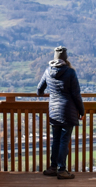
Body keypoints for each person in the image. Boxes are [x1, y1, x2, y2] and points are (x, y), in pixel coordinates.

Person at [36, 46, 84, 179]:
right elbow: (76, 94)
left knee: (56, 140)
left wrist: (50, 93)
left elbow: (39, 90)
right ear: (66, 58)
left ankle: (53, 167)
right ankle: (62, 170)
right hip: (68, 111)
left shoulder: (48, 71)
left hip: (54, 111)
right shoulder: (70, 72)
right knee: (64, 141)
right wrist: (81, 111)